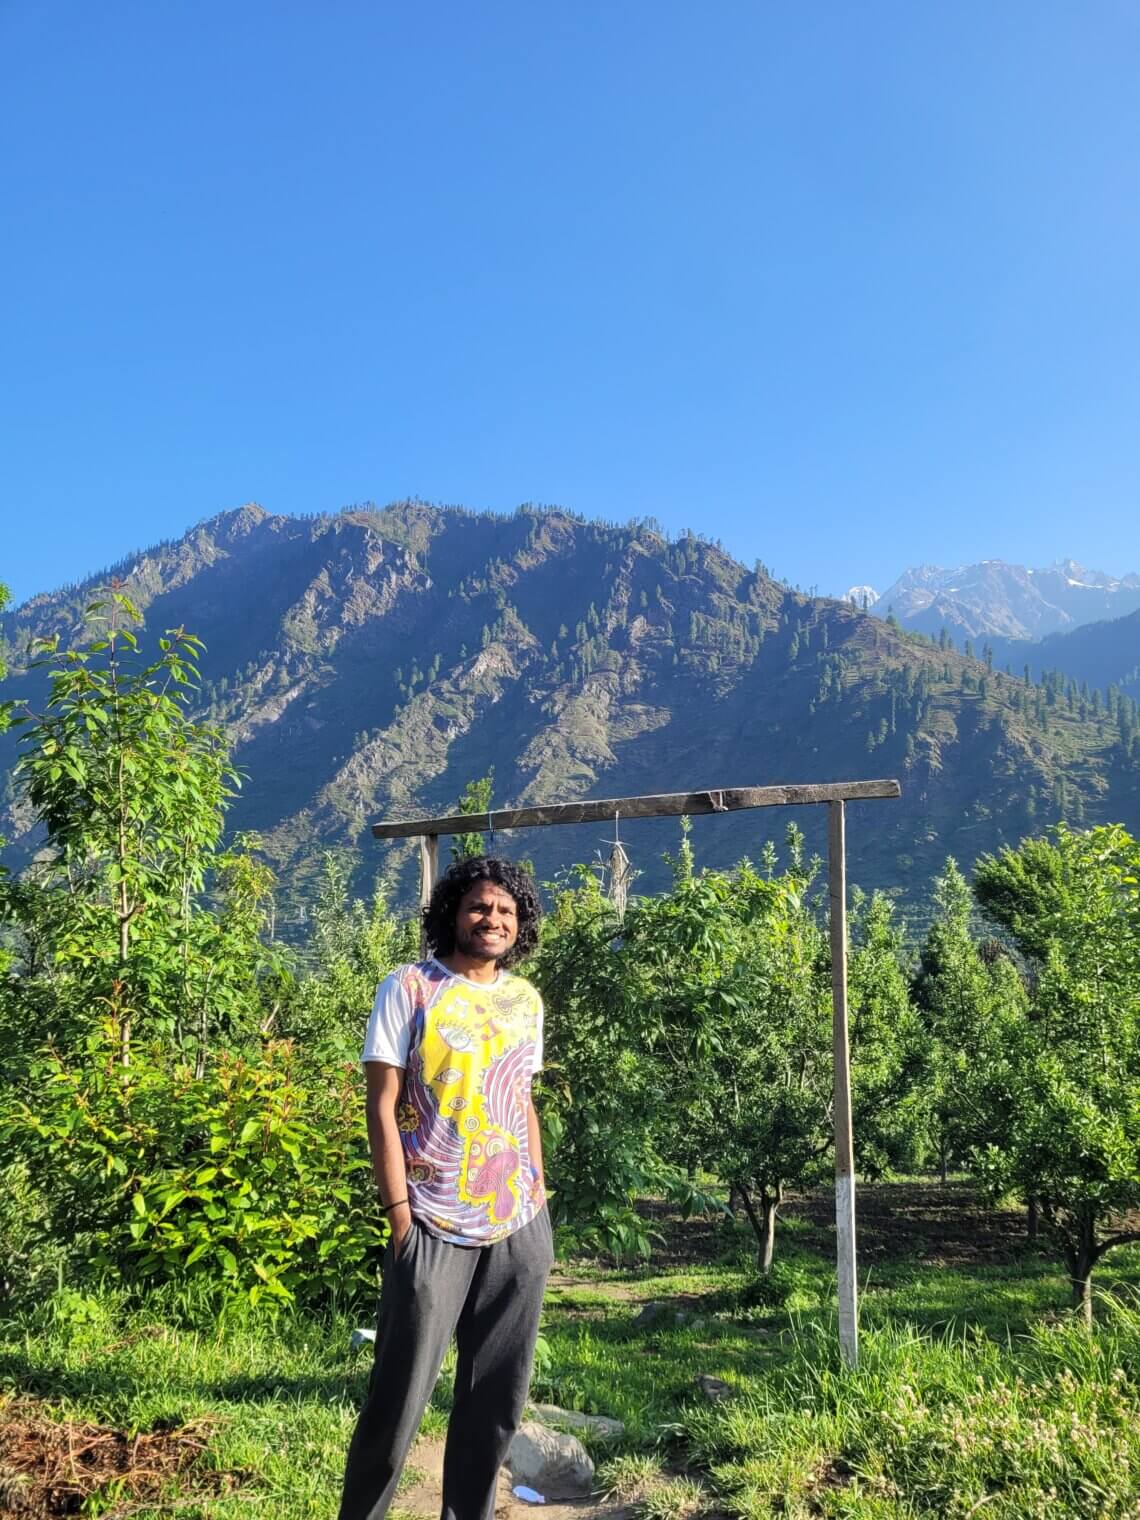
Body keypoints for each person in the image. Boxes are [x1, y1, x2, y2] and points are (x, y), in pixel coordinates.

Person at [339, 855, 554, 1520]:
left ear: (520, 925)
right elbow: (381, 1105)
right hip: (430, 1220)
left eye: (506, 911)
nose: (493, 919)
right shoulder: (409, 988)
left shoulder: (524, 1000)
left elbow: (522, 1100)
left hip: (517, 1221)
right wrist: (400, 1216)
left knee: (496, 1400)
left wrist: (539, 1194)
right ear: (453, 913)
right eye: (480, 906)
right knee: (398, 1401)